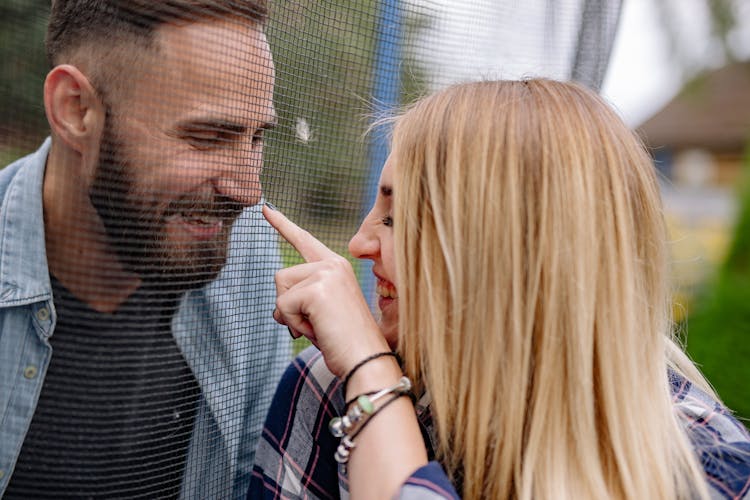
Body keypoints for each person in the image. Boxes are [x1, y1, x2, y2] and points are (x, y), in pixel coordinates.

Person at [249, 79, 750, 499]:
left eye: (398, 219)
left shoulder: (705, 463)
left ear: (504, 255)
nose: (358, 244)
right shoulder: (326, 388)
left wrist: (371, 376)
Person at [0, 1, 289, 498]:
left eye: (256, 136)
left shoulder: (249, 257)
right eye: (207, 136)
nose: (247, 189)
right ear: (76, 110)